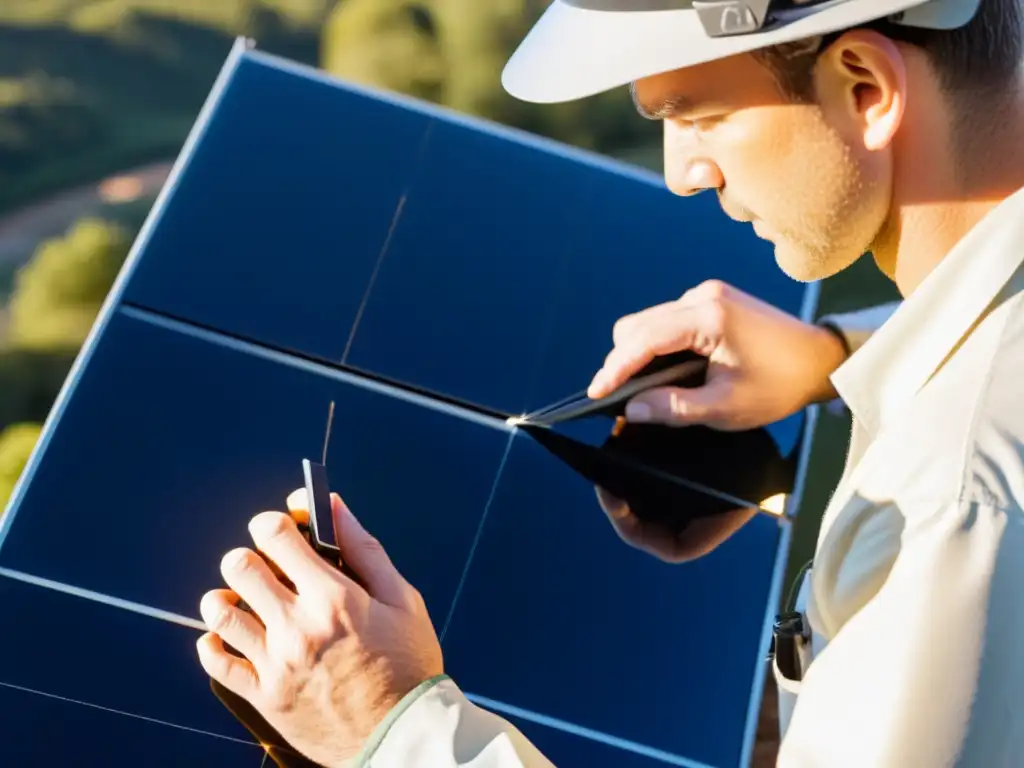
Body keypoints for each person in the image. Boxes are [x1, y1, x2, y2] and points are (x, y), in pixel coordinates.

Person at [196, 0, 1024, 763]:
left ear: (867, 88)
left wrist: (391, 723)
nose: (682, 172)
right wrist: (833, 354)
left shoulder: (955, 509)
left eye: (699, 116)